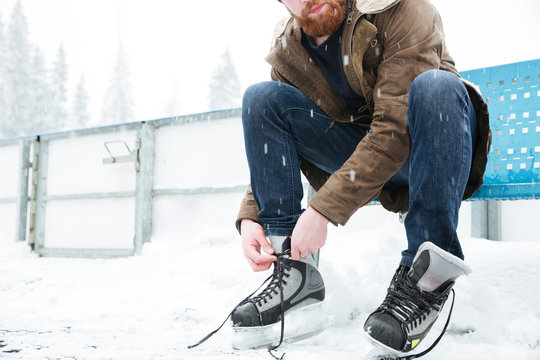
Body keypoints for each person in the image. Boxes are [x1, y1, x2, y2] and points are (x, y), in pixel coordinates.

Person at [231, 0, 490, 355]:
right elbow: (277, 139)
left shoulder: (399, 8)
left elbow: (395, 130)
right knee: (262, 99)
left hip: (430, 152)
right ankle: (294, 271)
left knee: (437, 87)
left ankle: (427, 276)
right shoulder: (289, 46)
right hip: (361, 157)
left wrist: (322, 210)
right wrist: (252, 214)